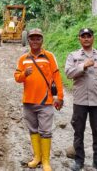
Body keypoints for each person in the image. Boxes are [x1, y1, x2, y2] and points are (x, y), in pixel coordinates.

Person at [65, 28, 97, 171]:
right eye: (83, 36)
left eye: (89, 36)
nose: (86, 38)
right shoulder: (73, 56)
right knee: (78, 132)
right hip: (79, 101)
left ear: (93, 38)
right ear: (79, 39)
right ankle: (79, 161)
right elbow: (68, 73)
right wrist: (83, 65)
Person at [14, 28, 64, 171]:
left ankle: (46, 161)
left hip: (46, 102)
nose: (35, 41)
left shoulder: (49, 56)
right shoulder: (23, 59)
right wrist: (24, 74)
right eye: (32, 38)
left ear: (42, 40)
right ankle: (37, 157)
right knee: (33, 130)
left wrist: (59, 97)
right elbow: (17, 77)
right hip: (28, 101)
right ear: (28, 40)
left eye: (38, 38)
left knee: (46, 131)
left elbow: (57, 77)